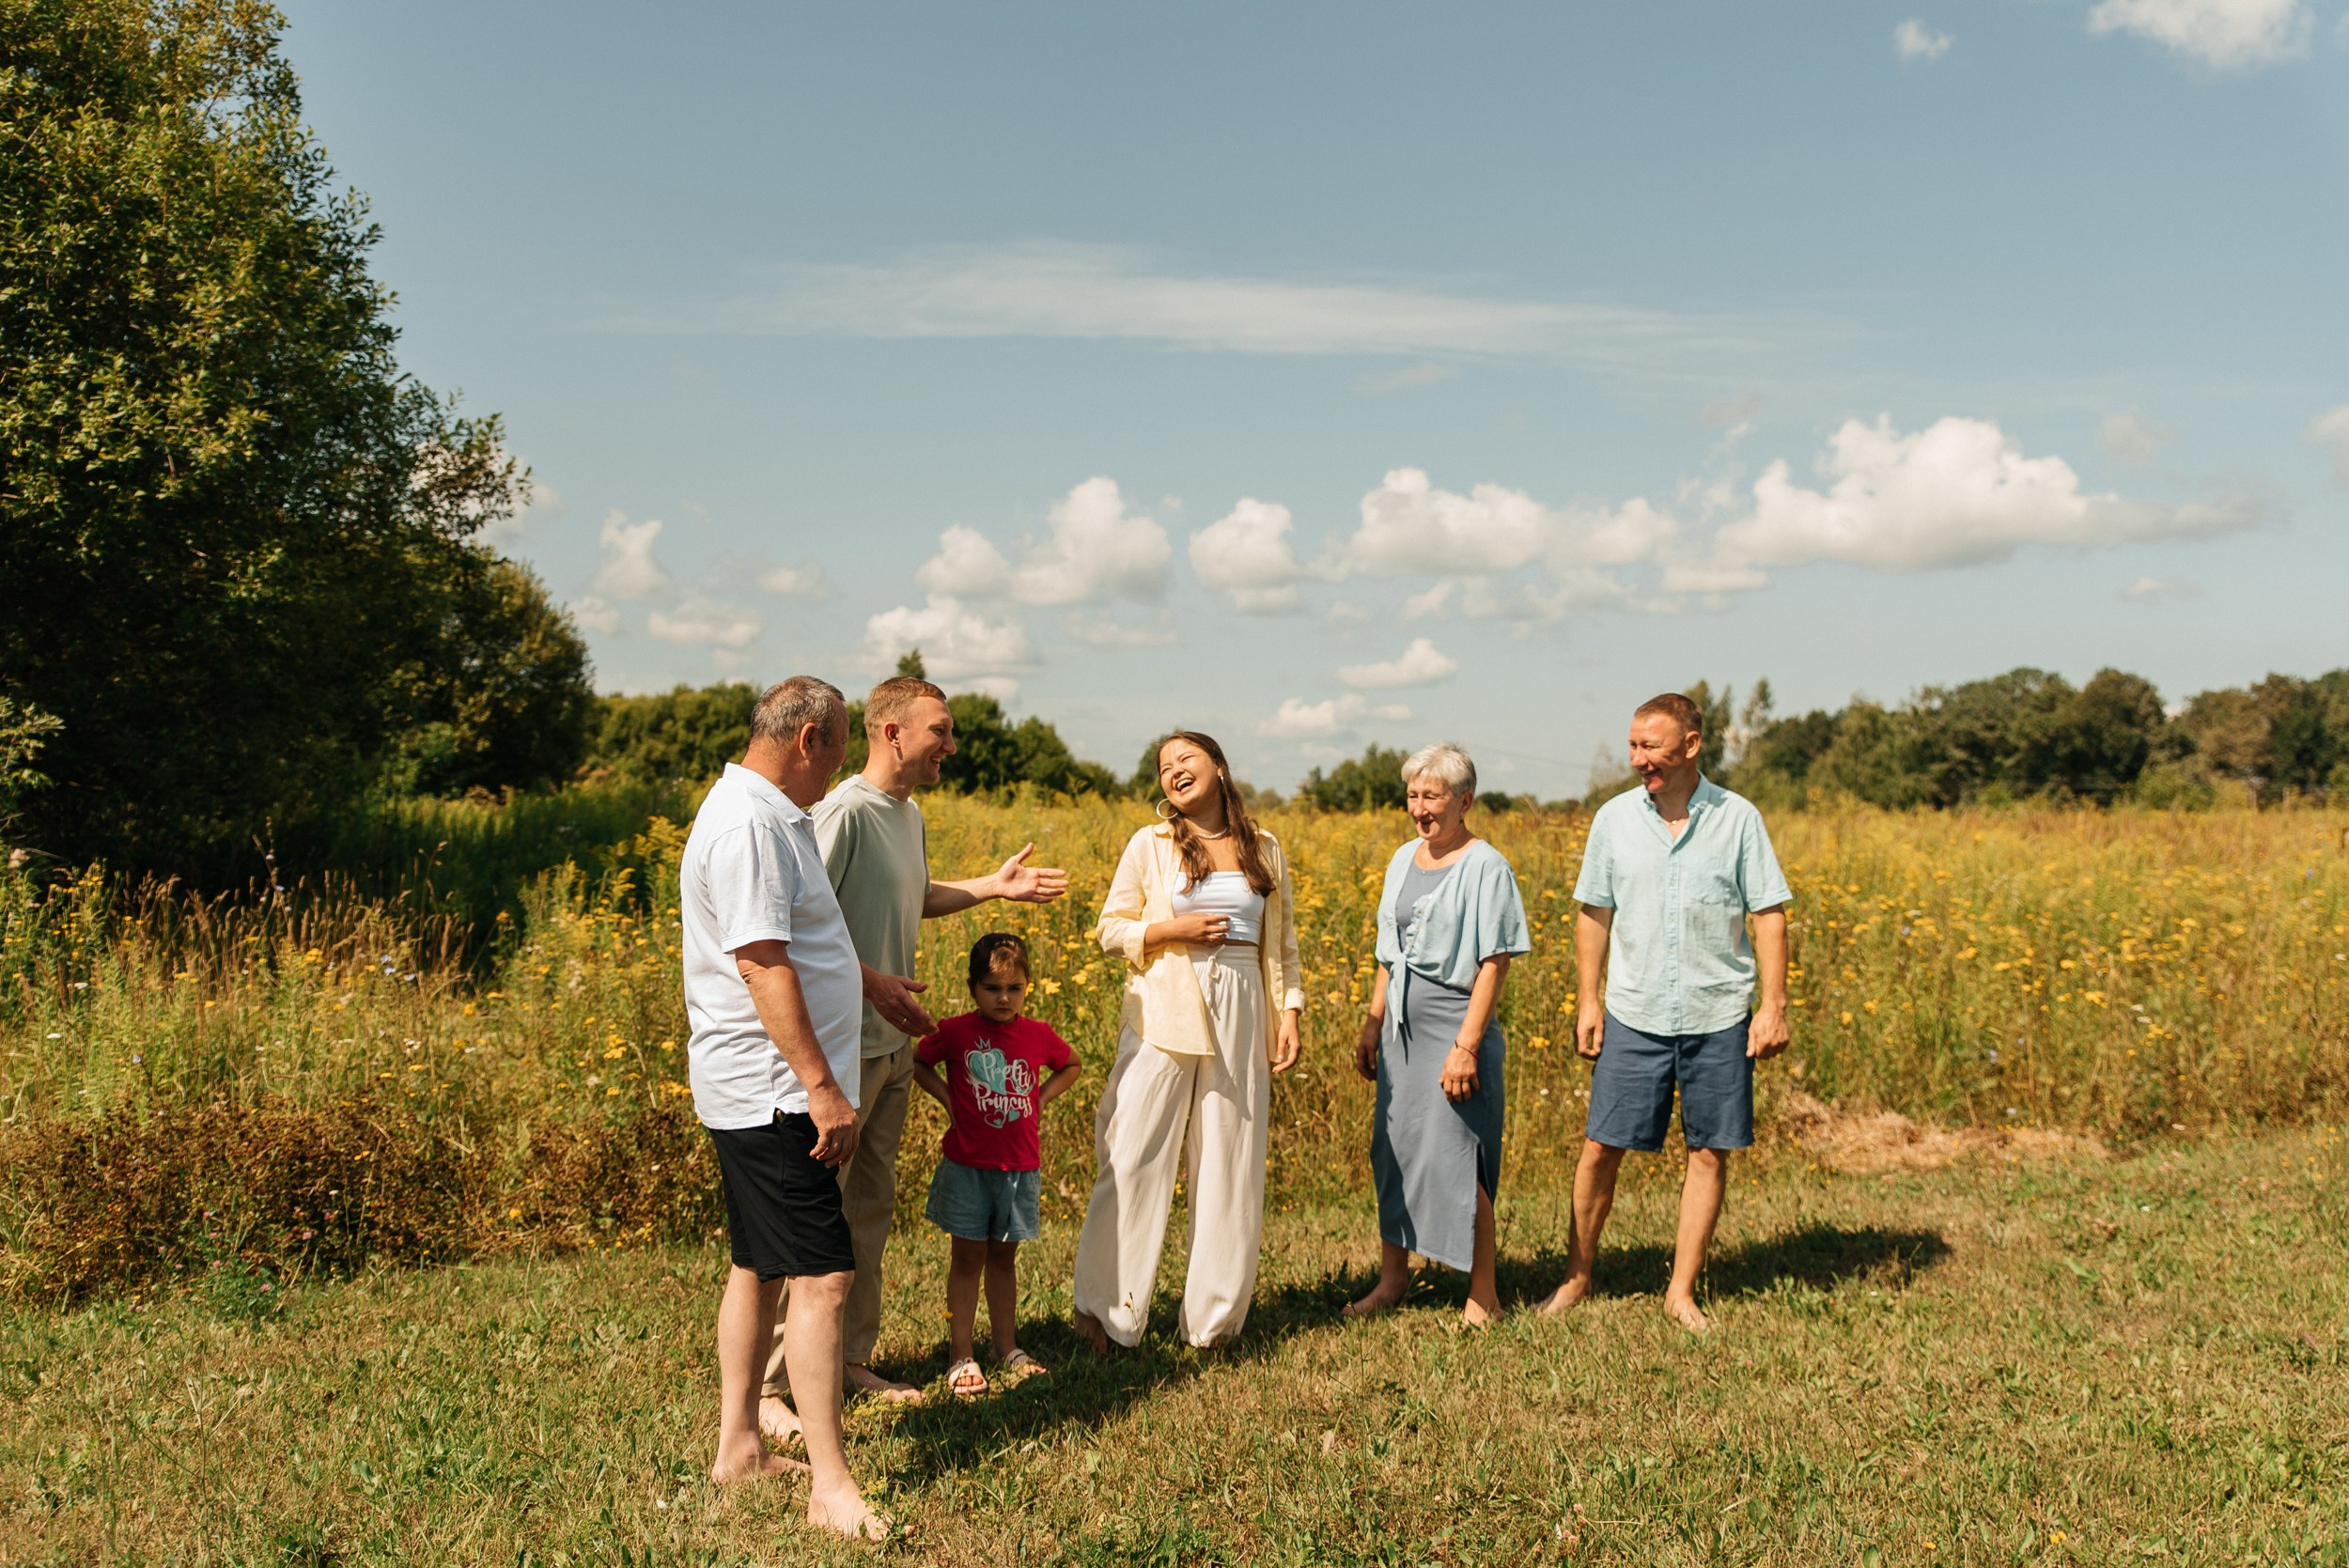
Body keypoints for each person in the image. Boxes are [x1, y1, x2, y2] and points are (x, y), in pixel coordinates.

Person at [761, 675, 1067, 1436]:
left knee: (867, 1209)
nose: (951, 745)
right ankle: (769, 1388)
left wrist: (991, 889)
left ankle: (846, 1358)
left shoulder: (906, 815)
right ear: (891, 732)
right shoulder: (842, 814)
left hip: (892, 1047)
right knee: (810, 1218)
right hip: (842, 1050)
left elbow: (913, 895)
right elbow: (798, 925)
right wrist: (866, 992)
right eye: (940, 730)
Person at [676, 675, 883, 1541]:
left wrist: (876, 989)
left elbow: (801, 942)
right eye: (838, 752)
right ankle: (831, 1484)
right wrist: (821, 1085)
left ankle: (739, 1446)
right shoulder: (752, 823)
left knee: (758, 1265)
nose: (838, 772)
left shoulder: (761, 811)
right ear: (808, 740)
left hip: (758, 1087)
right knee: (823, 1275)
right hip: (772, 1093)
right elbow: (762, 961)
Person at [1538, 692, 1791, 1331]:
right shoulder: (1614, 820)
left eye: (1650, 745)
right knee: (1601, 1146)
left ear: (1691, 744)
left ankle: (1680, 1290)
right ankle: (1576, 1276)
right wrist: (1588, 998)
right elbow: (1594, 911)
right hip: (1634, 1008)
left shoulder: (1738, 818)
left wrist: (1773, 1005)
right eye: (1633, 745)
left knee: (1708, 1151)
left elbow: (1768, 914)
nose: (1637, 758)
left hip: (1718, 1011)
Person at [1070, 731, 1304, 1351]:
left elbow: (1280, 945)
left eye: (1186, 759)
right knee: (1135, 1156)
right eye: (1163, 766)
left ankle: (1214, 1322)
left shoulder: (1267, 848)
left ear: (1219, 767)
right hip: (1166, 1008)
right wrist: (1172, 929)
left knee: (1231, 1161)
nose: (1174, 770)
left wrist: (1290, 1010)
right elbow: (1110, 928)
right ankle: (1105, 1313)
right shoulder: (1151, 844)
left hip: (1245, 1005)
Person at [1344, 743, 1530, 1328]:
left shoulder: (1486, 866)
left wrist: (1466, 1045)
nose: (1420, 809)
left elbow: (1494, 962)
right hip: (1400, 1032)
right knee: (1394, 1151)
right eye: (1413, 796)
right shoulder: (1403, 857)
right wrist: (1373, 1023)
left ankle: (1484, 1296)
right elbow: (1386, 952)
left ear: (1465, 801)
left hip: (1454, 1029)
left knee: (1458, 1155)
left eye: (1433, 797)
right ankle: (1394, 1278)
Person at [910, 932, 1081, 1397]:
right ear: (973, 988)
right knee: (967, 1259)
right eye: (992, 988)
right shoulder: (957, 1031)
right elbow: (919, 1061)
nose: (1004, 999)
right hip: (967, 1166)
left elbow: (1072, 1064)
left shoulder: (1037, 1034)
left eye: (1014, 989)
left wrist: (1040, 1098)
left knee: (1004, 1260)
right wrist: (948, 1099)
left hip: (1019, 1168)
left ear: (1027, 987)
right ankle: (960, 1354)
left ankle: (1006, 1347)